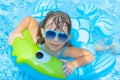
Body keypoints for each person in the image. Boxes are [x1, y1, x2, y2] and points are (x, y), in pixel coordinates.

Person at [8, 11, 94, 76]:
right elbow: (30, 19)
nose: (56, 40)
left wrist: (74, 64)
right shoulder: (37, 39)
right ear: (42, 32)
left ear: (68, 38)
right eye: (50, 34)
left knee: (98, 48)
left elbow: (89, 56)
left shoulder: (65, 51)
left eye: (62, 36)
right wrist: (17, 30)